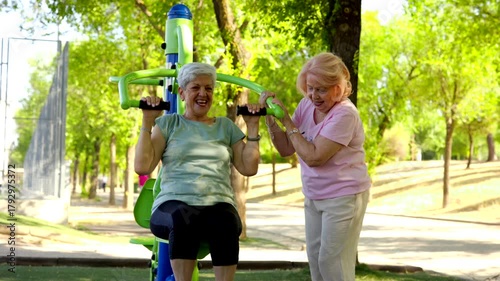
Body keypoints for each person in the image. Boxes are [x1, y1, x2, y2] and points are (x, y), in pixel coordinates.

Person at [134, 62, 263, 281]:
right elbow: (142, 166)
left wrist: (252, 127)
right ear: (182, 93)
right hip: (173, 204)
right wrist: (148, 121)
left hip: (217, 203)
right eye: (195, 88)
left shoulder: (225, 126)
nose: (203, 93)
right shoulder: (168, 124)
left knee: (228, 222)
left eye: (209, 88)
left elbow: (249, 167)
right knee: (183, 219)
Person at [260, 52, 371, 281]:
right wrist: (270, 118)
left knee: (332, 262)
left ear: (337, 88)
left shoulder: (345, 114)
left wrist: (287, 121)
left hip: (343, 197)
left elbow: (314, 156)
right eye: (310, 88)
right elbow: (286, 149)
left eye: (321, 89)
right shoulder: (306, 105)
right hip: (314, 195)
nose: (313, 95)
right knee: (316, 261)